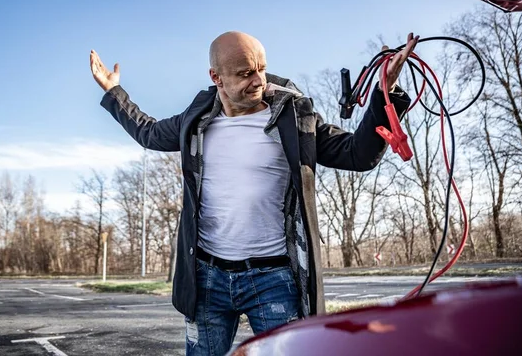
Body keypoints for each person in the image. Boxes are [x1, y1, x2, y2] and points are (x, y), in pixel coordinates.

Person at [90, 31, 417, 356]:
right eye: (246, 73)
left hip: (274, 278)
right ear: (216, 77)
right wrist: (113, 90)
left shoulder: (295, 118)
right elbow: (148, 132)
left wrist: (384, 94)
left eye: (261, 68)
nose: (259, 80)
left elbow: (356, 155)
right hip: (206, 278)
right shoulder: (196, 120)